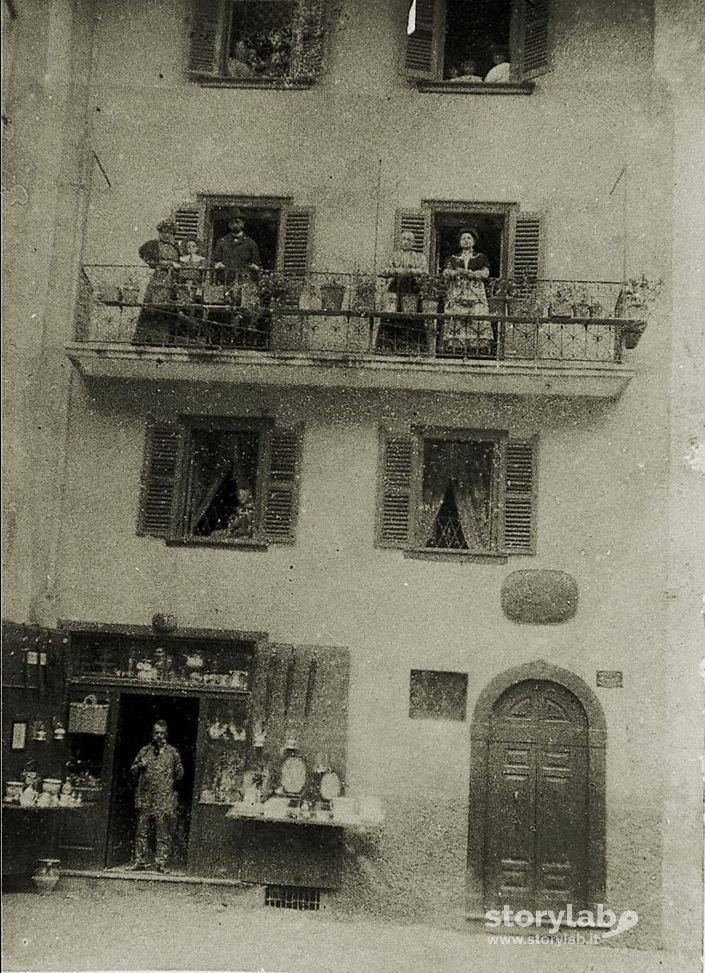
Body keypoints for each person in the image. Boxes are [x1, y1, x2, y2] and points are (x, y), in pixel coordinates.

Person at [130, 720, 184, 872]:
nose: (159, 736)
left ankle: (161, 863)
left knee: (163, 832)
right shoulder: (144, 751)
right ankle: (140, 861)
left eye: (162, 733)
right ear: (152, 734)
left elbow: (180, 776)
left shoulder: (172, 752)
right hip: (145, 797)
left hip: (163, 798)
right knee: (142, 830)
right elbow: (132, 770)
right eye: (156, 733)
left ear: (166, 735)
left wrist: (175, 767)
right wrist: (140, 765)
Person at [442, 226, 493, 356]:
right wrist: (455, 272)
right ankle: (456, 346)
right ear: (459, 242)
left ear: (474, 242)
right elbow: (446, 272)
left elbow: (486, 273)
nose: (466, 240)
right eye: (463, 238)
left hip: (475, 291)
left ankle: (478, 347)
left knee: (477, 315)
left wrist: (474, 274)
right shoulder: (453, 258)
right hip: (458, 290)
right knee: (456, 315)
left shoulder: (480, 257)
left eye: (469, 238)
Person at [132, 220, 181, 345]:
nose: (166, 235)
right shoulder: (153, 245)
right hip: (159, 278)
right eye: (164, 232)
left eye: (169, 232)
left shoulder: (176, 248)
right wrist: (165, 263)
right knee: (154, 307)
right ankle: (148, 339)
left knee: (169, 309)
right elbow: (145, 256)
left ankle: (166, 340)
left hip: (172, 281)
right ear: (159, 232)